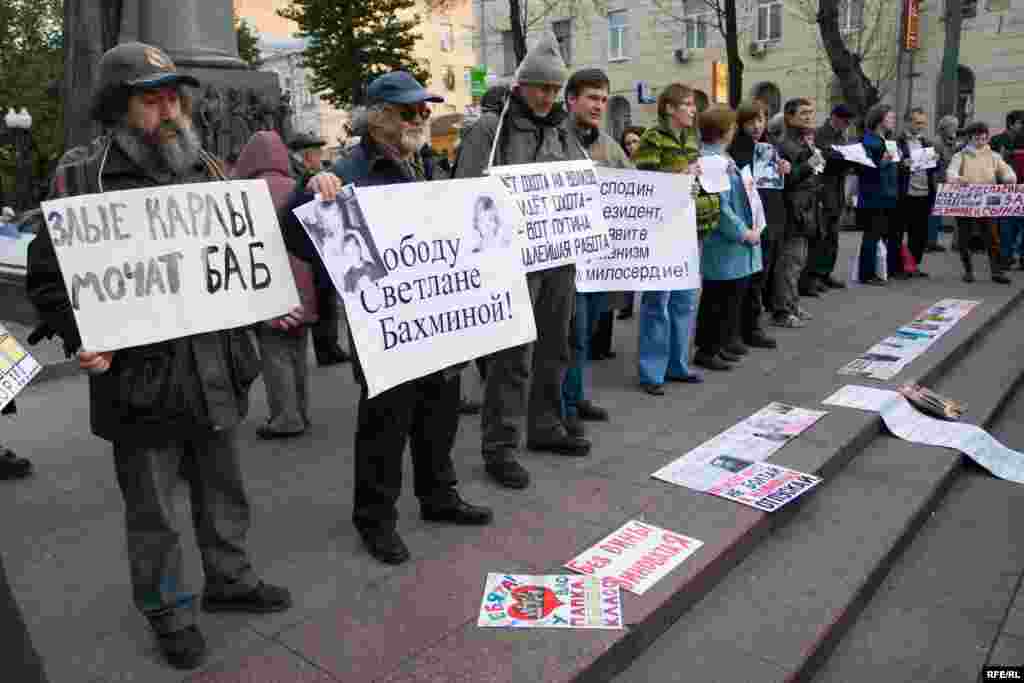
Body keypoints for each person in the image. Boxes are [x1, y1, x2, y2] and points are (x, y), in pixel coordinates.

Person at [25, 42, 295, 671]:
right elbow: (48, 279)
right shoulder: (80, 176)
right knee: (154, 512)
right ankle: (168, 611)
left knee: (224, 491)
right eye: (154, 98)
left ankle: (230, 579)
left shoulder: (208, 167)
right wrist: (78, 333)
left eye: (175, 96)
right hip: (140, 382)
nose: (170, 109)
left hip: (217, 370)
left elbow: (243, 253)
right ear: (119, 107)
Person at [296, 71, 493, 564]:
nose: (421, 118)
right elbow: (300, 234)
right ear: (379, 116)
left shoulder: (422, 160)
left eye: (424, 110)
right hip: (387, 326)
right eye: (410, 111)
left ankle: (439, 495)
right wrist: (312, 190)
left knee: (440, 412)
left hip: (437, 316)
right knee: (385, 425)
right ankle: (376, 519)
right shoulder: (352, 169)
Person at [454, 33, 591, 488]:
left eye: (554, 89)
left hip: (558, 257)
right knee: (512, 357)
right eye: (540, 88)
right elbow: (466, 194)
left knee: (555, 346)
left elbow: (583, 181)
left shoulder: (563, 129)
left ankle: (547, 426)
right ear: (521, 86)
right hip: (511, 261)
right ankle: (500, 446)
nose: (548, 96)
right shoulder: (489, 131)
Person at [233, 130, 318, 440]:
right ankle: (301, 412)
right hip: (304, 283)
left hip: (268, 284)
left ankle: (285, 416)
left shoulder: (242, 191)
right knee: (297, 350)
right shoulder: (297, 186)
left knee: (274, 353)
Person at [560, 68, 632, 435]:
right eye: (591, 97)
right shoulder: (555, 139)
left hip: (597, 261)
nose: (598, 105)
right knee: (565, 337)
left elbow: (635, 186)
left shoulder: (607, 144)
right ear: (571, 99)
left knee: (584, 333)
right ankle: (560, 407)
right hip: (562, 261)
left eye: (604, 99)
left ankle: (576, 396)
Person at [634, 83, 720, 383]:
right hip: (662, 231)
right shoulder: (652, 138)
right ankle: (652, 372)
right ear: (669, 108)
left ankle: (678, 365)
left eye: (694, 105)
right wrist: (682, 176)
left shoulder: (691, 138)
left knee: (684, 300)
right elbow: (644, 185)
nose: (693, 110)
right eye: (687, 104)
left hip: (691, 227)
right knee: (658, 302)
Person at [693, 105, 762, 370]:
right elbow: (721, 207)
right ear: (725, 131)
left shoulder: (721, 158)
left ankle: (719, 345)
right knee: (718, 299)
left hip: (732, 243)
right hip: (724, 242)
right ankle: (708, 349)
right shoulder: (712, 162)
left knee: (729, 298)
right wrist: (743, 232)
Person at [728, 100, 784, 351]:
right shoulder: (735, 148)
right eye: (750, 121)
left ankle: (752, 326)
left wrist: (783, 169)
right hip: (749, 219)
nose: (756, 126)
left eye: (760, 120)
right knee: (748, 279)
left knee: (760, 277)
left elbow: (775, 183)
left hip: (769, 216)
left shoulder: (769, 147)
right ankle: (744, 329)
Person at [946, 120, 1017, 284]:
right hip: (966, 200)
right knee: (965, 238)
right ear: (970, 138)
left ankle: (996, 272)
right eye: (977, 138)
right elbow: (951, 172)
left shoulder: (994, 156)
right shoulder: (960, 155)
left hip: (988, 200)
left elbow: (1006, 170)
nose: (981, 141)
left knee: (992, 237)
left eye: (984, 138)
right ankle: (968, 271)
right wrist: (957, 179)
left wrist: (1009, 178)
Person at [776, 98, 823, 322]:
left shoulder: (804, 142)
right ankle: (783, 310)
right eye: (803, 113)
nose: (808, 117)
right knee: (789, 261)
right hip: (792, 210)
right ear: (789, 117)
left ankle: (793, 304)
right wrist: (809, 165)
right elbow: (787, 179)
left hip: (806, 209)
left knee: (799, 261)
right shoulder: (785, 145)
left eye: (810, 113)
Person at [810, 104, 854, 292]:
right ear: (835, 117)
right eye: (845, 121)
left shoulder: (841, 136)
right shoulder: (821, 134)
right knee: (822, 235)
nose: (847, 125)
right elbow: (824, 159)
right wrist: (844, 157)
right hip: (823, 190)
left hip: (837, 190)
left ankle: (826, 273)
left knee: (833, 236)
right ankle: (815, 276)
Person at [856, 103, 900, 285]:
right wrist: (882, 162)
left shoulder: (887, 141)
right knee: (872, 234)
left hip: (888, 193)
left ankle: (882, 269)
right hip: (874, 195)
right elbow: (865, 170)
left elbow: (891, 167)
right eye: (890, 118)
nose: (893, 121)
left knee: (882, 233)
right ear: (880, 120)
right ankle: (866, 274)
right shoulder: (869, 141)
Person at [896, 108, 940, 278]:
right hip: (905, 193)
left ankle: (913, 265)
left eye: (923, 123)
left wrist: (935, 161)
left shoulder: (927, 143)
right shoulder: (897, 141)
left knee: (920, 234)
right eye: (917, 122)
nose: (921, 126)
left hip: (924, 193)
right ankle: (899, 267)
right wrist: (902, 164)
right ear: (908, 121)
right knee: (898, 232)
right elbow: (893, 164)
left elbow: (932, 168)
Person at [613, 126, 647, 322]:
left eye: (635, 141)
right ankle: (626, 303)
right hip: (628, 221)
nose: (632, 146)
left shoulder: (651, 162)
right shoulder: (622, 164)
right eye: (628, 143)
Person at [992, 111, 1024, 269]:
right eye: (1021, 123)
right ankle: (1005, 257)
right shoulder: (996, 140)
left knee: (1020, 225)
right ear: (1012, 124)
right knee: (1005, 226)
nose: (1022, 126)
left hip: (1021, 189)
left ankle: (1021, 257)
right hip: (1003, 189)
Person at [927, 114, 960, 253]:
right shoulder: (936, 143)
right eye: (953, 127)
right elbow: (936, 164)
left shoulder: (949, 141)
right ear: (945, 128)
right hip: (938, 181)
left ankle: (956, 242)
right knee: (935, 214)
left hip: (949, 180)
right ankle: (930, 242)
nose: (955, 129)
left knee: (957, 212)